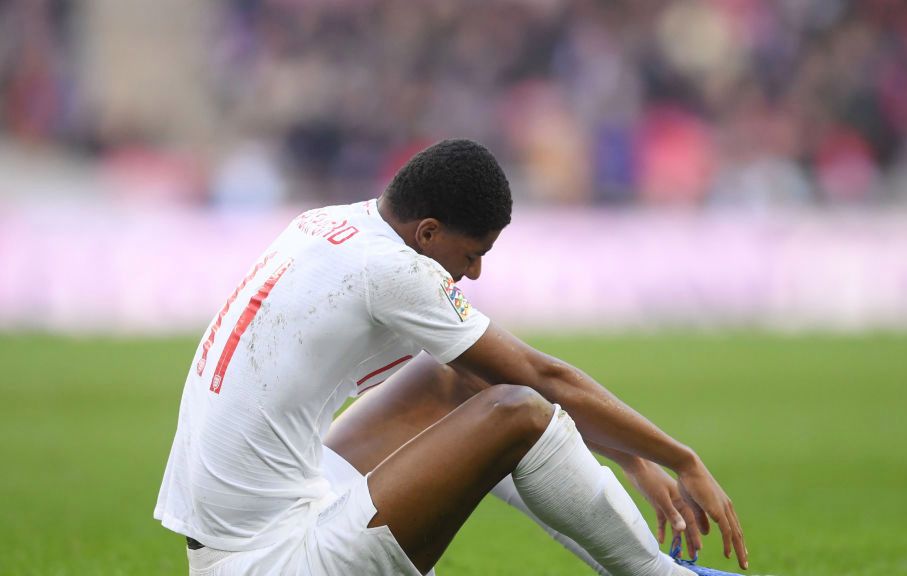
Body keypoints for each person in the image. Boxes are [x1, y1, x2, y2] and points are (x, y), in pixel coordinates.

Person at [155, 139, 748, 575]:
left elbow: (475, 371)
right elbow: (540, 377)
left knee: (456, 378)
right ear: (429, 231)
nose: (474, 272)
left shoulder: (332, 224)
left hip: (264, 521)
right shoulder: (392, 271)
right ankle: (656, 575)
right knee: (518, 410)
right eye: (473, 252)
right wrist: (680, 457)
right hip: (274, 561)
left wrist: (629, 457)